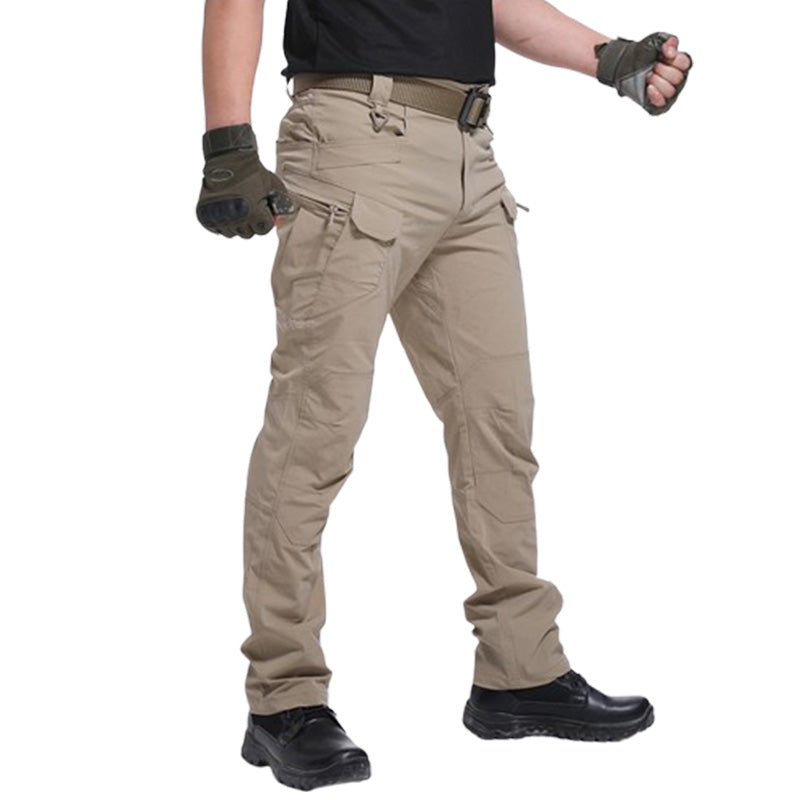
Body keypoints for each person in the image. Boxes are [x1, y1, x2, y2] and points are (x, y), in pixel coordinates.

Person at [196, 0, 692, 791]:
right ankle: (284, 697)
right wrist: (228, 140)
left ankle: (519, 671)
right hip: (353, 142)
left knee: (497, 423)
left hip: (470, 155)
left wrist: (611, 58)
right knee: (314, 432)